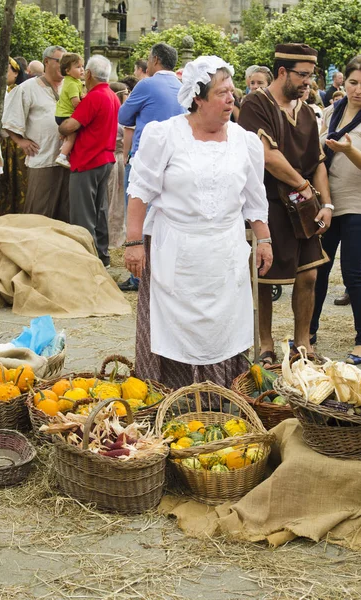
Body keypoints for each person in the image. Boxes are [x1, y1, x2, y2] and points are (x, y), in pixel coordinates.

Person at [125, 55, 272, 389]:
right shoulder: (163, 136)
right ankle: (169, 397)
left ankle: (222, 398)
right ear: (198, 98)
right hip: (173, 251)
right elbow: (139, 191)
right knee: (173, 326)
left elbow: (254, 196)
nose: (231, 98)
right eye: (222, 92)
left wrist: (263, 240)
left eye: (232, 91)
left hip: (224, 251)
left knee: (222, 326)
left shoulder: (245, 141)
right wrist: (134, 243)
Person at [238, 43, 333, 367]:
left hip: (304, 204)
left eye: (311, 75)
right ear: (282, 72)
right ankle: (266, 345)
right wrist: (303, 186)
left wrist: (327, 204)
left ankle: (302, 345)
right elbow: (266, 156)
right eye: (302, 75)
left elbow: (318, 162)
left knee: (309, 275)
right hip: (267, 202)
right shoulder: (255, 104)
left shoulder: (307, 111)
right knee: (265, 278)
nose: (308, 82)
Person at [311, 55, 361, 364]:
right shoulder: (333, 110)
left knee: (353, 273)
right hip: (328, 203)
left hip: (360, 205)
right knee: (319, 270)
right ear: (344, 80)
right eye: (353, 82)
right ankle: (308, 334)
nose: (358, 90)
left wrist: (349, 149)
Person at [118, 42, 185, 292]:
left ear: (155, 59)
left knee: (138, 216)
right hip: (175, 161)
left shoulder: (147, 83)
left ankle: (138, 275)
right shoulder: (180, 86)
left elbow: (123, 117)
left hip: (144, 160)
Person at [59, 55, 120, 269]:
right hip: (105, 159)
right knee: (99, 210)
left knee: (82, 214)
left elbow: (70, 126)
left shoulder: (94, 97)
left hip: (88, 160)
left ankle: (85, 261)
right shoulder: (112, 95)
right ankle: (102, 257)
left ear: (89, 74)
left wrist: (61, 125)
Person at [2, 45, 70, 222]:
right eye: (60, 61)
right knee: (39, 213)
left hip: (69, 160)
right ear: (46, 62)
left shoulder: (70, 87)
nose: (65, 66)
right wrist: (21, 141)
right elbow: (9, 120)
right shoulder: (27, 89)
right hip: (42, 158)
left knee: (64, 214)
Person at [0, 57, 28, 215]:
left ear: (16, 73)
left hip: (18, 144)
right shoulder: (1, 89)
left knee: (19, 181)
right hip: (5, 144)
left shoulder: (20, 90)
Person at [107, 82, 130, 247]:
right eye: (125, 93)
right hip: (116, 160)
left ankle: (118, 237)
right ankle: (113, 239)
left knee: (119, 201)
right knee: (114, 201)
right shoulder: (118, 116)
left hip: (118, 159)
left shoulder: (122, 114)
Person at [55, 53, 85, 169]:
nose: (82, 69)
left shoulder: (73, 81)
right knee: (72, 138)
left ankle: (64, 149)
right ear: (67, 71)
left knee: (69, 137)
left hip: (61, 114)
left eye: (82, 66)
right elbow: (75, 103)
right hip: (66, 115)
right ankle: (62, 156)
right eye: (78, 67)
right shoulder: (72, 84)